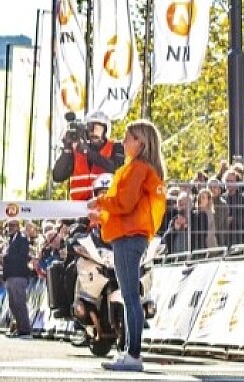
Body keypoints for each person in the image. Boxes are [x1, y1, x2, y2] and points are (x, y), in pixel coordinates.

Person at [87, 119, 167, 373]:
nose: (123, 142)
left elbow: (124, 203)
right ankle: (129, 351)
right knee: (129, 295)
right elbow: (127, 207)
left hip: (129, 237)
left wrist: (100, 202)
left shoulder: (137, 169)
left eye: (128, 137)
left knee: (130, 296)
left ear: (140, 143)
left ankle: (133, 353)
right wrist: (102, 214)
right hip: (130, 234)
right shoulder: (139, 169)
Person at [52, 111, 125, 201]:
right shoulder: (77, 150)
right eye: (90, 128)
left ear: (106, 130)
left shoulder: (116, 146)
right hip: (77, 206)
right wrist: (67, 149)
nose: (93, 133)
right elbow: (58, 176)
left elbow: (118, 168)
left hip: (105, 204)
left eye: (97, 129)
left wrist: (88, 152)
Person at [2, 218, 33, 339]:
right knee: (12, 304)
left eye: (12, 225)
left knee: (20, 303)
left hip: (18, 275)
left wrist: (7, 255)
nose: (10, 228)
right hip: (10, 276)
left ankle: (25, 329)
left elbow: (22, 256)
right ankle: (19, 327)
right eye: (8, 226)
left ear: (18, 227)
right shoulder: (9, 240)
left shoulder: (22, 239)